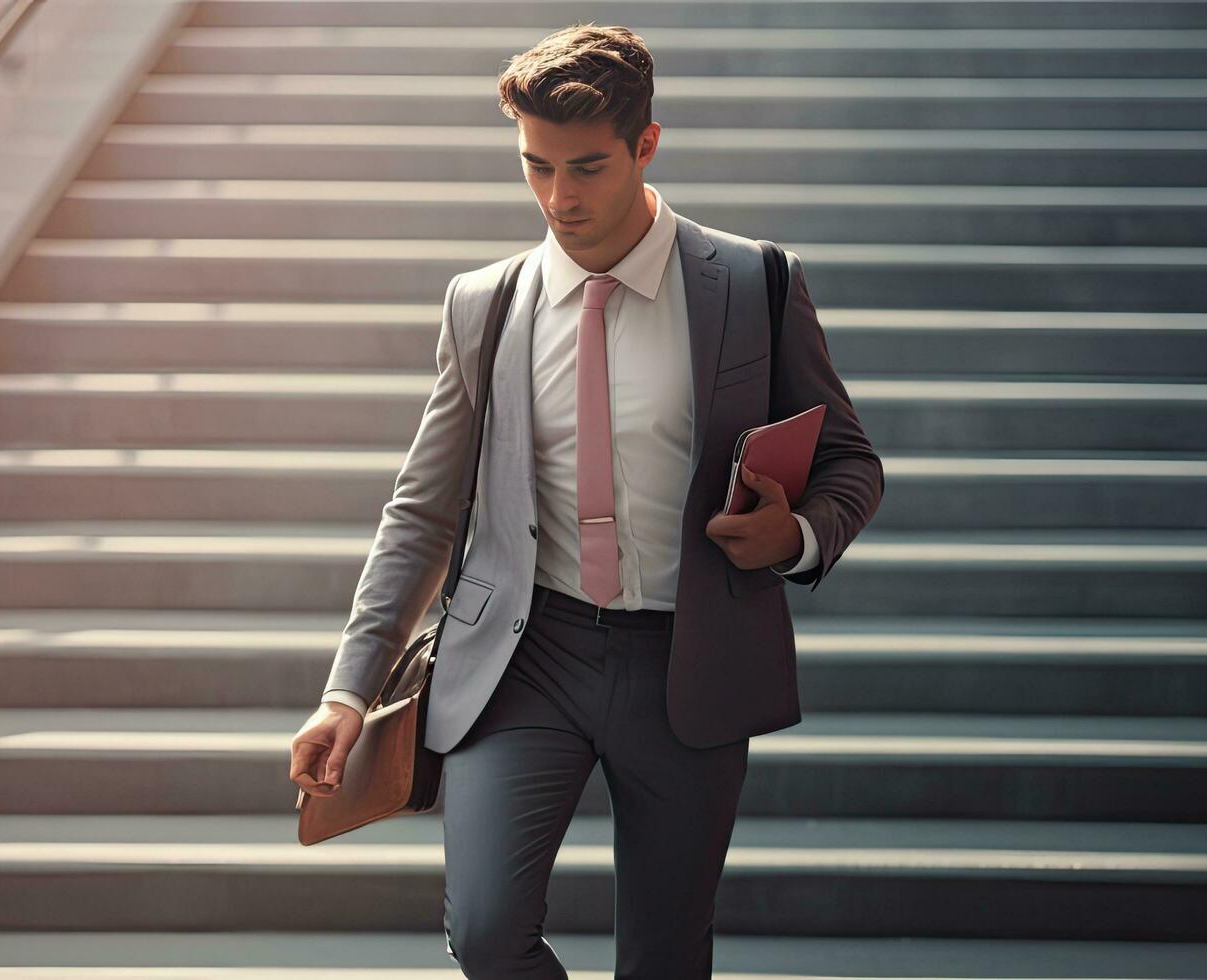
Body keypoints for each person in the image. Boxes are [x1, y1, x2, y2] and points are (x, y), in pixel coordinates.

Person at [288, 22, 884, 979]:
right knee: (485, 932)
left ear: (646, 146)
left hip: (687, 660)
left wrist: (796, 535)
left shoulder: (752, 282)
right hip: (527, 655)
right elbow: (423, 510)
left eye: (587, 167)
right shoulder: (484, 305)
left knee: (663, 956)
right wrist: (347, 692)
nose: (559, 198)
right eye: (535, 167)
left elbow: (852, 460)